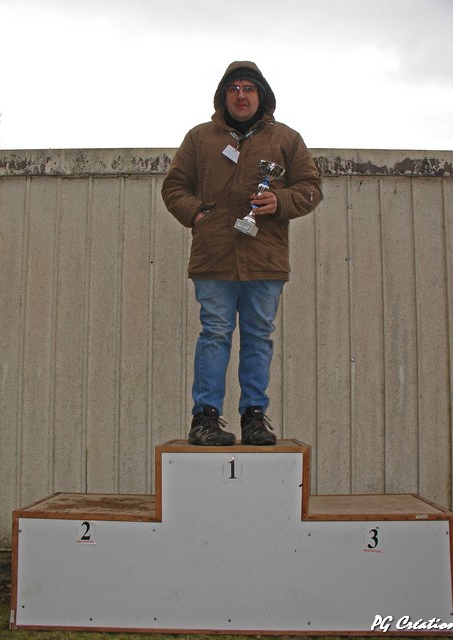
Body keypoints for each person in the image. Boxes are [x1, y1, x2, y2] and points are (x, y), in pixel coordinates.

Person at [161, 61, 323, 446]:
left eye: (249, 88)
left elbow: (311, 188)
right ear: (223, 96)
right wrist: (197, 215)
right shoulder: (200, 138)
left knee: (258, 336)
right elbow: (174, 187)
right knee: (214, 334)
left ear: (261, 96)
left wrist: (280, 200)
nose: (241, 95)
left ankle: (253, 418)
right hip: (213, 257)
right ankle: (204, 419)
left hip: (265, 259)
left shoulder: (287, 139)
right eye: (234, 88)